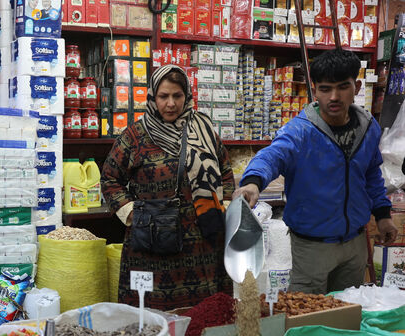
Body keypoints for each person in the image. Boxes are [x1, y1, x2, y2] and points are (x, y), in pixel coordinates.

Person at [233, 49, 396, 294]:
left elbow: (371, 174)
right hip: (311, 248)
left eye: (342, 87)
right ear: (315, 89)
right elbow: (272, 155)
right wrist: (253, 182)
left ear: (357, 86)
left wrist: (383, 216)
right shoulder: (300, 131)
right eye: (324, 88)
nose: (333, 97)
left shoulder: (368, 127)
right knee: (307, 318)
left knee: (348, 316)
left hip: (354, 243)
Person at [102, 64, 235, 309]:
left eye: (177, 96)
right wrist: (132, 213)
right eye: (163, 96)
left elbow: (226, 173)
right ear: (153, 97)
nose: (171, 103)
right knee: (152, 319)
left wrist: (222, 208)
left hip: (202, 247)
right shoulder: (135, 136)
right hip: (153, 244)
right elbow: (110, 179)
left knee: (202, 316)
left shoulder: (204, 130)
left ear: (187, 97)